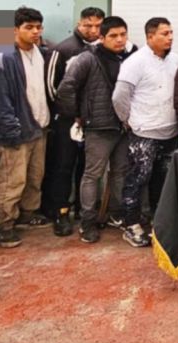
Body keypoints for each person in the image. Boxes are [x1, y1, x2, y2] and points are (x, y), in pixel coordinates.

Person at [57, 16, 137, 243]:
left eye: (123, 34)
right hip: (98, 128)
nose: (119, 39)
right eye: (113, 36)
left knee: (120, 172)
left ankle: (116, 213)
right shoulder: (87, 58)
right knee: (93, 175)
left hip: (123, 126)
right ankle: (87, 221)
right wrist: (79, 115)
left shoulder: (130, 58)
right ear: (101, 38)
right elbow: (66, 88)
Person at [112, 17, 178, 247]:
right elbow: (119, 97)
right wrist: (128, 121)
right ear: (150, 36)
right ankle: (131, 224)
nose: (170, 37)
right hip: (144, 132)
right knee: (137, 179)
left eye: (171, 32)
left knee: (162, 181)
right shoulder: (135, 62)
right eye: (164, 33)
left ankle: (157, 223)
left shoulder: (175, 59)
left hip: (170, 131)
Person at [0, 7, 51, 248]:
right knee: (11, 182)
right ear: (14, 30)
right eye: (29, 27)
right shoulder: (3, 57)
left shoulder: (41, 52)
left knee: (34, 178)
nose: (35, 32)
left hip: (39, 127)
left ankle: (28, 214)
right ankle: (4, 226)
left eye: (38, 27)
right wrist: (10, 132)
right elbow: (1, 100)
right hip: (15, 133)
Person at [42, 7, 104, 236]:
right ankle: (61, 213)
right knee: (63, 166)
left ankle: (83, 210)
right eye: (88, 25)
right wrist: (70, 114)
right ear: (79, 24)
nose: (93, 30)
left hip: (93, 121)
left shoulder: (103, 50)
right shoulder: (63, 49)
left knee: (87, 167)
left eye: (98, 25)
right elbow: (52, 87)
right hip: (67, 121)